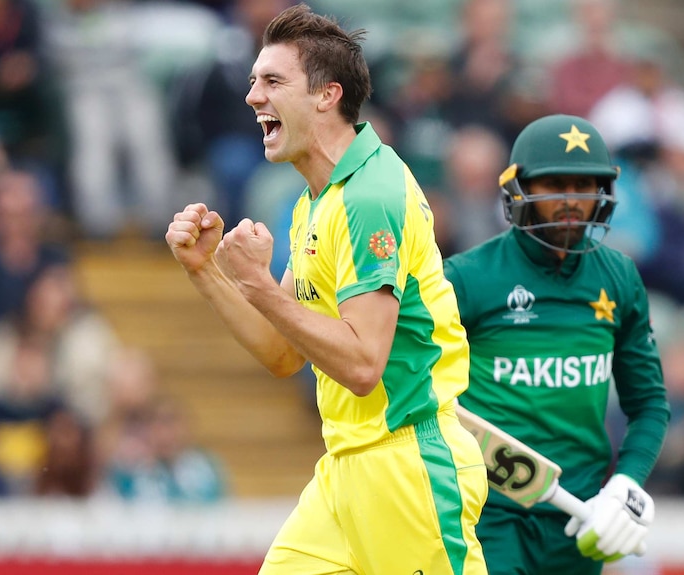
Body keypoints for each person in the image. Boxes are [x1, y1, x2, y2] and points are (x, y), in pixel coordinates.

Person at [164, 4, 488, 574]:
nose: (252, 97)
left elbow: (363, 366)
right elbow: (284, 352)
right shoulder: (317, 200)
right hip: (345, 470)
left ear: (326, 95)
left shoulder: (370, 195)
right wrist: (205, 270)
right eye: (252, 81)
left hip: (408, 468)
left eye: (271, 81)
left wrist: (260, 287)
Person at [444, 114, 671, 575]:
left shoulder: (619, 277)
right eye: (554, 185)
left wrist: (623, 485)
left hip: (580, 519)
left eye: (584, 186)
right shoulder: (466, 278)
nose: (571, 200)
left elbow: (648, 403)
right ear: (519, 191)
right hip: (490, 514)